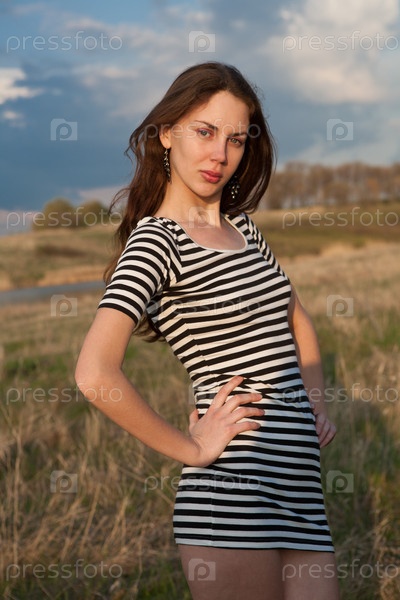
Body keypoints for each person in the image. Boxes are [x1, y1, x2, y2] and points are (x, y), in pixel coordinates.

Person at [75, 62, 339, 600]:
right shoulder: (157, 241)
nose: (220, 153)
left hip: (302, 494)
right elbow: (94, 374)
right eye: (205, 131)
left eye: (236, 139)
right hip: (232, 499)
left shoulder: (242, 228)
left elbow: (298, 318)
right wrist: (192, 450)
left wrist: (313, 405)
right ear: (166, 134)